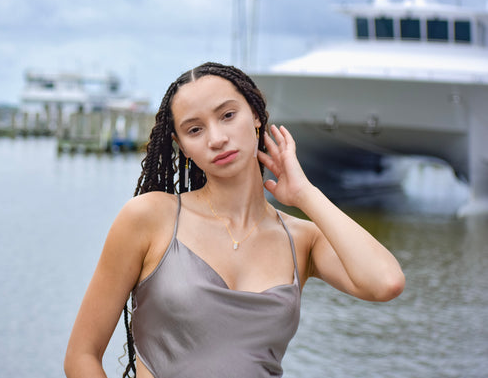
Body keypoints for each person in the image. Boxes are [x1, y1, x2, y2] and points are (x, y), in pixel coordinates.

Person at [64, 62, 405, 378]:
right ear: (181, 146)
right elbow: (82, 356)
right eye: (195, 129)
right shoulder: (149, 217)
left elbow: (385, 282)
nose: (216, 139)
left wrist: (306, 194)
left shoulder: (301, 239)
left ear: (256, 115)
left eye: (227, 115)